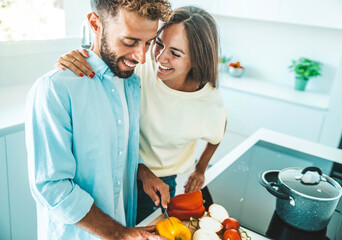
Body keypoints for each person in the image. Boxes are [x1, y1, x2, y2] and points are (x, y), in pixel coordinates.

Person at [56, 6, 227, 224]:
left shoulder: (208, 103)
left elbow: (218, 131)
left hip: (159, 184)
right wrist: (81, 56)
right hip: (120, 168)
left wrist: (200, 170)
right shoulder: (140, 69)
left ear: (197, 60)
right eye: (158, 44)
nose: (159, 58)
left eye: (175, 53)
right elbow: (107, 60)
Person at [25, 0, 171, 239]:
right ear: (95, 23)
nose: (142, 57)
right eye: (130, 41)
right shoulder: (54, 89)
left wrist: (142, 170)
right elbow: (51, 186)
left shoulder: (131, 83)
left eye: (149, 42)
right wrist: (117, 233)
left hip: (125, 227)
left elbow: (118, 149)